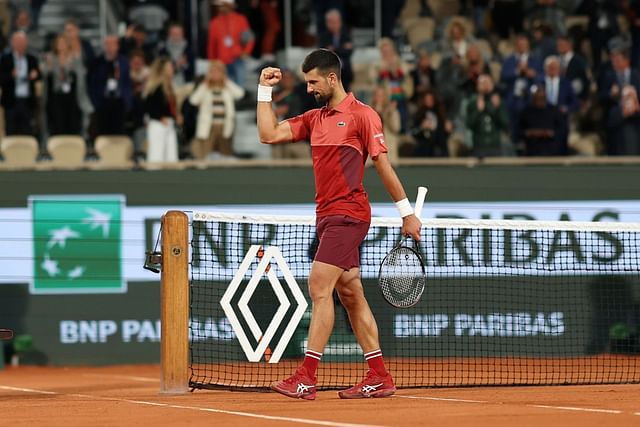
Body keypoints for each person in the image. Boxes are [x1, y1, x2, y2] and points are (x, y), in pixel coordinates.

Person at [256, 48, 421, 400]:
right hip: (327, 217)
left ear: (332, 78)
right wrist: (263, 91)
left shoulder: (364, 116)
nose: (309, 88)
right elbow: (268, 134)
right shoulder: (314, 119)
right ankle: (379, 375)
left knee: (319, 287)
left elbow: (383, 166)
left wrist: (406, 213)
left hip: (349, 215)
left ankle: (306, 377)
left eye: (313, 81)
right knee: (350, 293)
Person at [188, 59, 244, 160]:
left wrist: (226, 81)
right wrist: (205, 83)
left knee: (225, 154)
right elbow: (193, 100)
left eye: (218, 72)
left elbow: (240, 94)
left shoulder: (226, 88)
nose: (216, 74)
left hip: (224, 125)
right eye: (213, 72)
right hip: (209, 126)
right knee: (203, 154)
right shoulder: (205, 88)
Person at [43, 34, 93, 136]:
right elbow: (45, 73)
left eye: (63, 43)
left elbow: (81, 73)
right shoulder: (50, 58)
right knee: (58, 123)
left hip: (72, 96)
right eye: (59, 43)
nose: (61, 45)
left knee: (72, 122)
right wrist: (49, 67)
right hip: (56, 96)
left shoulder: (74, 58)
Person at [88, 36, 133, 136]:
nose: (110, 47)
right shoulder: (97, 62)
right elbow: (92, 84)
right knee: (103, 133)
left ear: (117, 46)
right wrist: (96, 103)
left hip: (119, 102)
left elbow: (127, 82)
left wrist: (127, 102)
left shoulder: (124, 61)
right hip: (103, 102)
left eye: (112, 44)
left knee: (119, 133)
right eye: (107, 44)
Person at [0, 31, 41, 136]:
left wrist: (35, 74)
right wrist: (11, 75)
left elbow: (39, 75)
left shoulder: (32, 59)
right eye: (18, 42)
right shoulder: (5, 59)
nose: (21, 44)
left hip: (27, 101)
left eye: (23, 42)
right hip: (11, 101)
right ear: (12, 43)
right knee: (11, 130)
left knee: (28, 131)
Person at [207, 0, 255, 87]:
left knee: (240, 87)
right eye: (220, 6)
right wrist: (212, 61)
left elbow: (249, 39)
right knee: (225, 88)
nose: (221, 8)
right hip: (221, 62)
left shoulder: (240, 19)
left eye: (223, 5)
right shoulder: (214, 22)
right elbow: (212, 44)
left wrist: (246, 52)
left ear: (230, 6)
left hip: (237, 58)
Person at [143, 57, 179, 163]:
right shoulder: (155, 87)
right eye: (169, 67)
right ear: (162, 70)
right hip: (158, 125)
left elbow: (170, 107)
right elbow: (149, 107)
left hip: (169, 124)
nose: (172, 69)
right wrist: (159, 117)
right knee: (156, 157)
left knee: (171, 158)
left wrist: (176, 116)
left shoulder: (170, 87)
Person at [466, 73, 509, 157]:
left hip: (495, 145)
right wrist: (478, 111)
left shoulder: (497, 101)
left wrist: (497, 109)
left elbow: (505, 123)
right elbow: (469, 124)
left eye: (487, 83)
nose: (485, 86)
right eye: (482, 83)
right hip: (479, 145)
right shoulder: (473, 102)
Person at [519, 85, 564, 156]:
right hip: (531, 152)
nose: (539, 99)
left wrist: (550, 133)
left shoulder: (553, 110)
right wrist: (529, 133)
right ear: (533, 97)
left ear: (545, 97)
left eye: (542, 97)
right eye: (537, 97)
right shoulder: (527, 111)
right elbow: (520, 130)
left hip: (551, 152)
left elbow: (561, 130)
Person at [317, 8, 353, 91]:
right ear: (327, 23)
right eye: (331, 22)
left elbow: (349, 51)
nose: (334, 24)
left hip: (345, 72)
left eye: (336, 22)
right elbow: (324, 52)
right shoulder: (323, 36)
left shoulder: (346, 34)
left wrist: (334, 49)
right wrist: (342, 48)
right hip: (329, 70)